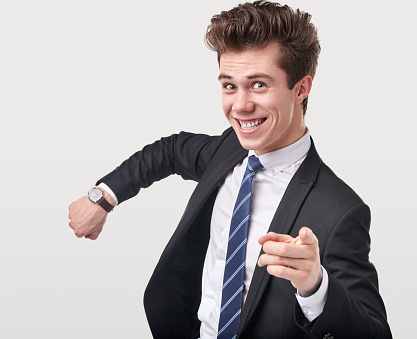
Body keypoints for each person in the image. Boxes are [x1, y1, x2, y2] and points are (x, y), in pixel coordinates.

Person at [68, 1, 391, 338]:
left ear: (301, 89)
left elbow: (375, 333)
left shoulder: (340, 209)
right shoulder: (228, 149)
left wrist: (316, 286)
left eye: (259, 85)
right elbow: (169, 150)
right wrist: (102, 197)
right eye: (229, 85)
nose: (240, 105)